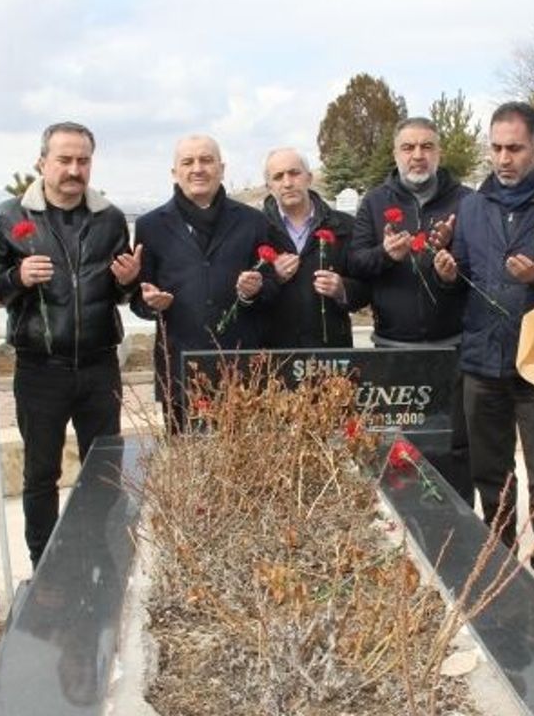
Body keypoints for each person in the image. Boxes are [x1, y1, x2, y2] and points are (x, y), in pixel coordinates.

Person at [432, 102, 534, 605]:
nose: (503, 158)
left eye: (514, 148)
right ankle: (498, 560)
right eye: (495, 147)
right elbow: (464, 277)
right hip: (481, 358)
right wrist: (449, 271)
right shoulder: (473, 207)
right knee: (491, 473)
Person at [0, 122, 139, 568]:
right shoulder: (9, 217)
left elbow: (118, 289)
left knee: (104, 472)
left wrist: (128, 284)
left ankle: (100, 560)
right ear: (42, 163)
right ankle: (45, 566)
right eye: (64, 160)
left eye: (83, 160)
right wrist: (16, 278)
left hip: (98, 364)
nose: (74, 169)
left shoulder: (108, 218)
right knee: (40, 474)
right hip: (40, 367)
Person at [347, 117, 473, 504]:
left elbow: (478, 267)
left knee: (454, 450)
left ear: (439, 152)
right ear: (395, 153)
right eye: (409, 147)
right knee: (400, 453)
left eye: (426, 147)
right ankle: (411, 541)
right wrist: (385, 255)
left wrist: (451, 271)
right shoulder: (375, 201)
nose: (417, 155)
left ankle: (461, 542)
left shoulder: (466, 200)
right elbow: (355, 263)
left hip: (452, 348)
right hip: (394, 349)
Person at [130, 135, 277, 431]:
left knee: (243, 467)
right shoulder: (150, 226)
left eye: (206, 160)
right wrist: (152, 303)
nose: (198, 168)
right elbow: (137, 298)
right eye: (188, 162)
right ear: (175, 173)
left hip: (242, 369)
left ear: (222, 169)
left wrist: (255, 289)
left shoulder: (253, 221)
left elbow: (274, 286)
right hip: (180, 368)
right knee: (186, 469)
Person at [260, 147, 365, 347]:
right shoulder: (256, 230)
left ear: (308, 178)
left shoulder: (345, 226)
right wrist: (274, 277)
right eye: (278, 177)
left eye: (294, 173)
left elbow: (367, 287)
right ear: (269, 186)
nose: (288, 183)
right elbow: (245, 295)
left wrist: (343, 289)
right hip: (275, 356)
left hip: (331, 352)